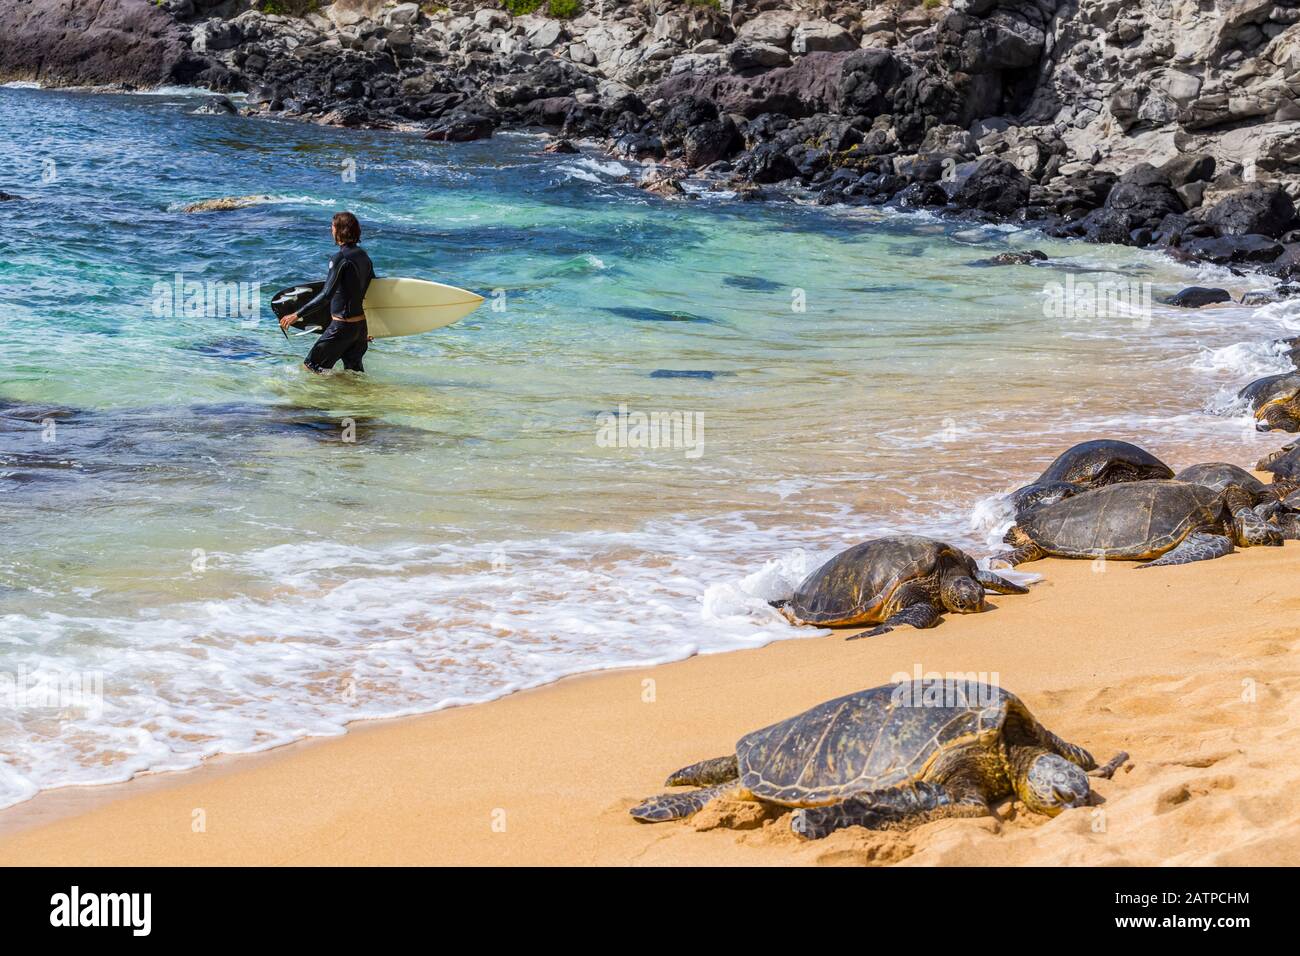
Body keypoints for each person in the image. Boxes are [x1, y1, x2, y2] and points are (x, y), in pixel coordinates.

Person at [280, 211, 375, 373]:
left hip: (341, 327)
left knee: (310, 367)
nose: (331, 230)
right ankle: (358, 398)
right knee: (353, 373)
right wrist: (372, 328)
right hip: (360, 327)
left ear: (340, 230)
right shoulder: (363, 256)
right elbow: (369, 290)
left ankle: (321, 398)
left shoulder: (340, 258)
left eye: (332, 227)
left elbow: (326, 295)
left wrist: (297, 314)